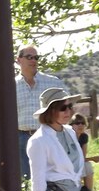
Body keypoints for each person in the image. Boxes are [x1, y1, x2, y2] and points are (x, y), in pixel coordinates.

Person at [15, 46, 66, 180]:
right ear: (18, 60)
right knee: (26, 179)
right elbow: (5, 118)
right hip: (21, 138)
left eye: (36, 57)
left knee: (51, 177)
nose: (33, 60)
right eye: (29, 57)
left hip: (48, 136)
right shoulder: (11, 85)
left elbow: (67, 107)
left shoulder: (53, 82)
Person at [70, 113, 99, 191]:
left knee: (87, 165)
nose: (80, 125)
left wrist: (93, 159)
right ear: (71, 125)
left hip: (77, 162)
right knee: (82, 166)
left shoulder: (84, 137)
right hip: (67, 164)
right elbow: (72, 159)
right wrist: (92, 159)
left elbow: (82, 158)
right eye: (77, 123)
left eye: (83, 123)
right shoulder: (69, 137)